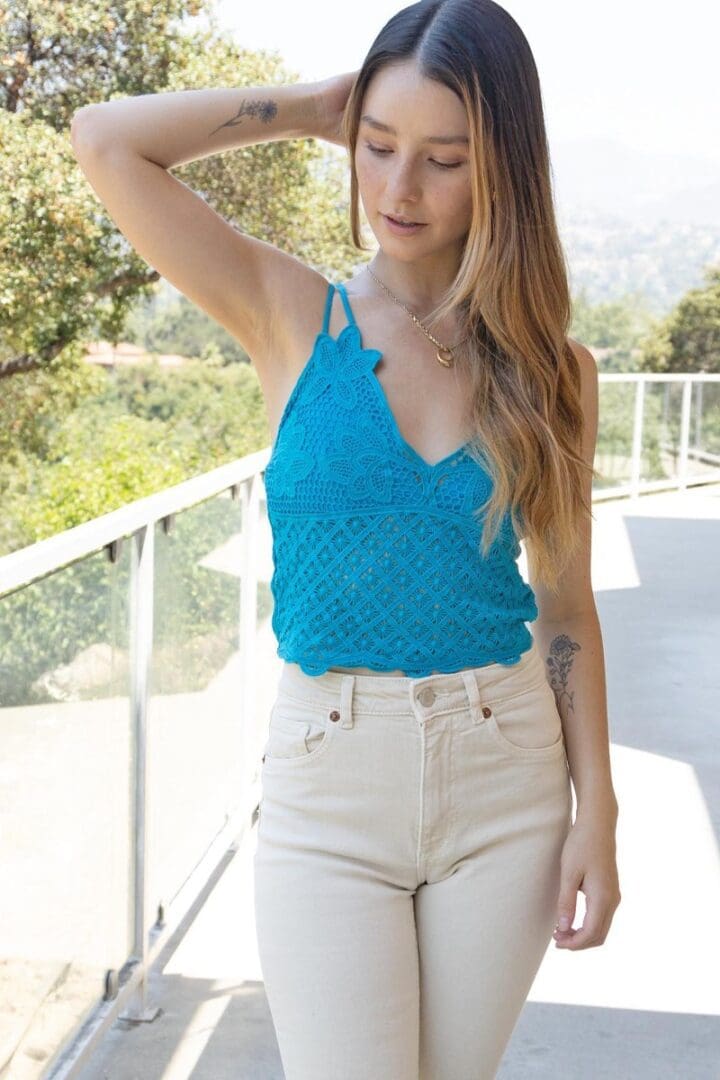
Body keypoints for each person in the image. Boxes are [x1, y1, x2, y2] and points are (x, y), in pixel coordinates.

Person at [71, 1, 621, 1076]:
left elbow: (565, 609)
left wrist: (596, 806)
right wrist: (321, 104)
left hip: (506, 772)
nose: (398, 190)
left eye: (444, 159)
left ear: (500, 168)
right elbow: (106, 140)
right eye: (377, 146)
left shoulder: (556, 372)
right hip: (331, 781)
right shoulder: (288, 311)